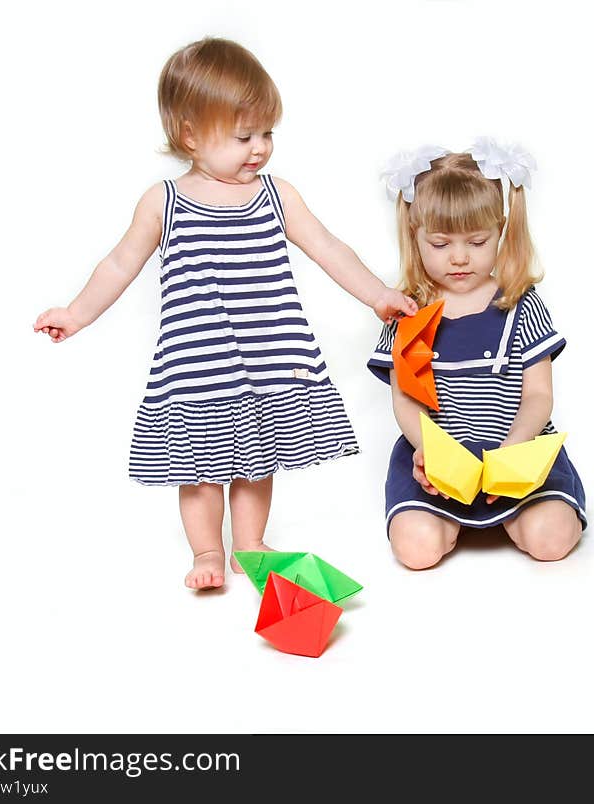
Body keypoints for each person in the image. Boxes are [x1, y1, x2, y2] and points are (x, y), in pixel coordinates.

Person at [33, 37, 416, 590]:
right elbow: (119, 265)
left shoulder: (277, 195)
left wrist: (377, 294)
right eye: (243, 136)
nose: (259, 148)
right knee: (198, 473)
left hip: (270, 361)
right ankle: (207, 551)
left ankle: (250, 543)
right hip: (197, 370)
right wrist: (76, 312)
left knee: (260, 464)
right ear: (190, 135)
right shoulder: (163, 201)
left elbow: (329, 249)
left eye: (267, 134)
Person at [368, 141, 586, 569]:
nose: (460, 257)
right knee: (416, 550)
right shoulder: (407, 311)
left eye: (477, 241)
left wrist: (511, 450)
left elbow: (538, 396)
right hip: (437, 458)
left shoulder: (520, 303)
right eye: (441, 243)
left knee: (551, 539)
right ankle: (448, 520)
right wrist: (430, 453)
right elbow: (405, 399)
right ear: (415, 236)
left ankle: (514, 517)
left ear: (501, 231)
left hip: (515, 447)